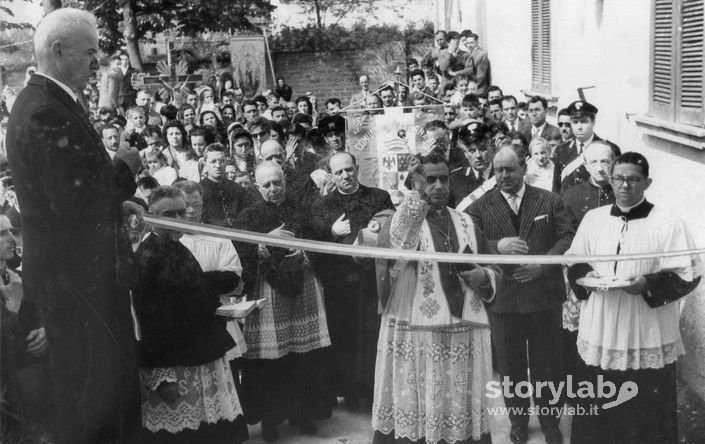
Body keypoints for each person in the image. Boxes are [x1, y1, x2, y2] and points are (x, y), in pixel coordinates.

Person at [5, 8, 140, 443]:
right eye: (90, 52)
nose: (96, 62)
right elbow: (75, 203)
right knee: (90, 405)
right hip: (78, 288)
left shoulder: (49, 101)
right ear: (58, 51)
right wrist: (124, 168)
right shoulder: (45, 110)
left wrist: (120, 202)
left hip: (79, 283)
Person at [566, 152, 702, 444]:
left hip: (645, 330)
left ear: (647, 182)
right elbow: (574, 260)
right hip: (601, 329)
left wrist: (648, 284)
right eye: (619, 179)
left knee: (644, 417)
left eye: (633, 179)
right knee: (598, 413)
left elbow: (689, 273)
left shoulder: (667, 222)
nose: (625, 186)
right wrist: (587, 277)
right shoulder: (594, 219)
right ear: (610, 182)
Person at [372, 151, 498, 444]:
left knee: (456, 395)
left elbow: (493, 266)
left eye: (444, 178)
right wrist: (415, 196)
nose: (438, 186)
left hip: (462, 325)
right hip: (415, 327)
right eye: (430, 180)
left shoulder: (466, 222)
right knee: (418, 395)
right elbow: (395, 250)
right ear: (416, 183)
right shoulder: (401, 220)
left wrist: (485, 277)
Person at [466, 147, 574, 444]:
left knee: (547, 363)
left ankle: (550, 421)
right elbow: (467, 242)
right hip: (505, 300)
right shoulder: (480, 207)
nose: (503, 176)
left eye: (510, 169)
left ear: (523, 167)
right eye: (498, 170)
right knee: (511, 367)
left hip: (544, 297)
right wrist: (497, 245)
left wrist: (544, 264)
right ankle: (518, 421)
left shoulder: (549, 200)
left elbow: (568, 236)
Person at [133, 186, 244, 443]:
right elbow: (150, 320)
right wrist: (161, 376)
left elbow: (190, 287)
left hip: (199, 354)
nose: (180, 220)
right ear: (152, 216)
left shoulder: (173, 246)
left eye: (182, 212)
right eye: (171, 214)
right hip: (177, 364)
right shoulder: (150, 254)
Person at [234, 161, 334, 441]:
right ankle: (271, 419)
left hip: (304, 285)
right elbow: (240, 252)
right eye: (266, 184)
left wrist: (303, 251)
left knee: (304, 357)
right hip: (268, 291)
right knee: (271, 362)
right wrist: (264, 241)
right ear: (257, 187)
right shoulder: (248, 216)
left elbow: (320, 242)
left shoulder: (301, 210)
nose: (273, 189)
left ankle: (302, 413)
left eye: (277, 182)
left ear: (286, 182)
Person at [310, 152, 395, 407]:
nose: (345, 176)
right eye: (339, 172)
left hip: (372, 281)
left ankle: (374, 391)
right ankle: (349, 392)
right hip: (340, 283)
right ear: (332, 176)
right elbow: (314, 245)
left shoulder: (379, 197)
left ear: (357, 168)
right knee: (345, 338)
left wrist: (379, 232)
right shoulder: (323, 206)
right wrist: (331, 233)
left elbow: (394, 231)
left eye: (349, 169)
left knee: (372, 337)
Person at [559, 141, 616, 380]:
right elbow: (565, 235)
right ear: (585, 165)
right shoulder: (571, 196)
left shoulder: (621, 193)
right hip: (580, 270)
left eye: (606, 161)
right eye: (594, 162)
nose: (601, 167)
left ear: (614, 162)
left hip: (614, 272)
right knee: (581, 330)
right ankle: (582, 382)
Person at [552, 100, 620, 194]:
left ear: (593, 122)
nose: (579, 127)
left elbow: (615, 184)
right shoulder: (561, 149)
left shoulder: (609, 149)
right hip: (567, 205)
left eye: (584, 122)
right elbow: (556, 187)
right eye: (575, 122)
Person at [201, 143, 250, 228]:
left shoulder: (237, 189)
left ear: (226, 162)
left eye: (221, 161)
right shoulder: (199, 190)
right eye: (213, 162)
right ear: (205, 164)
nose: (218, 165)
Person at [449, 125, 493, 206]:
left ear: (491, 148)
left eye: (482, 149)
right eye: (472, 151)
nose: (478, 155)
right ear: (465, 153)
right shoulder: (455, 180)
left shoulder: (504, 174)